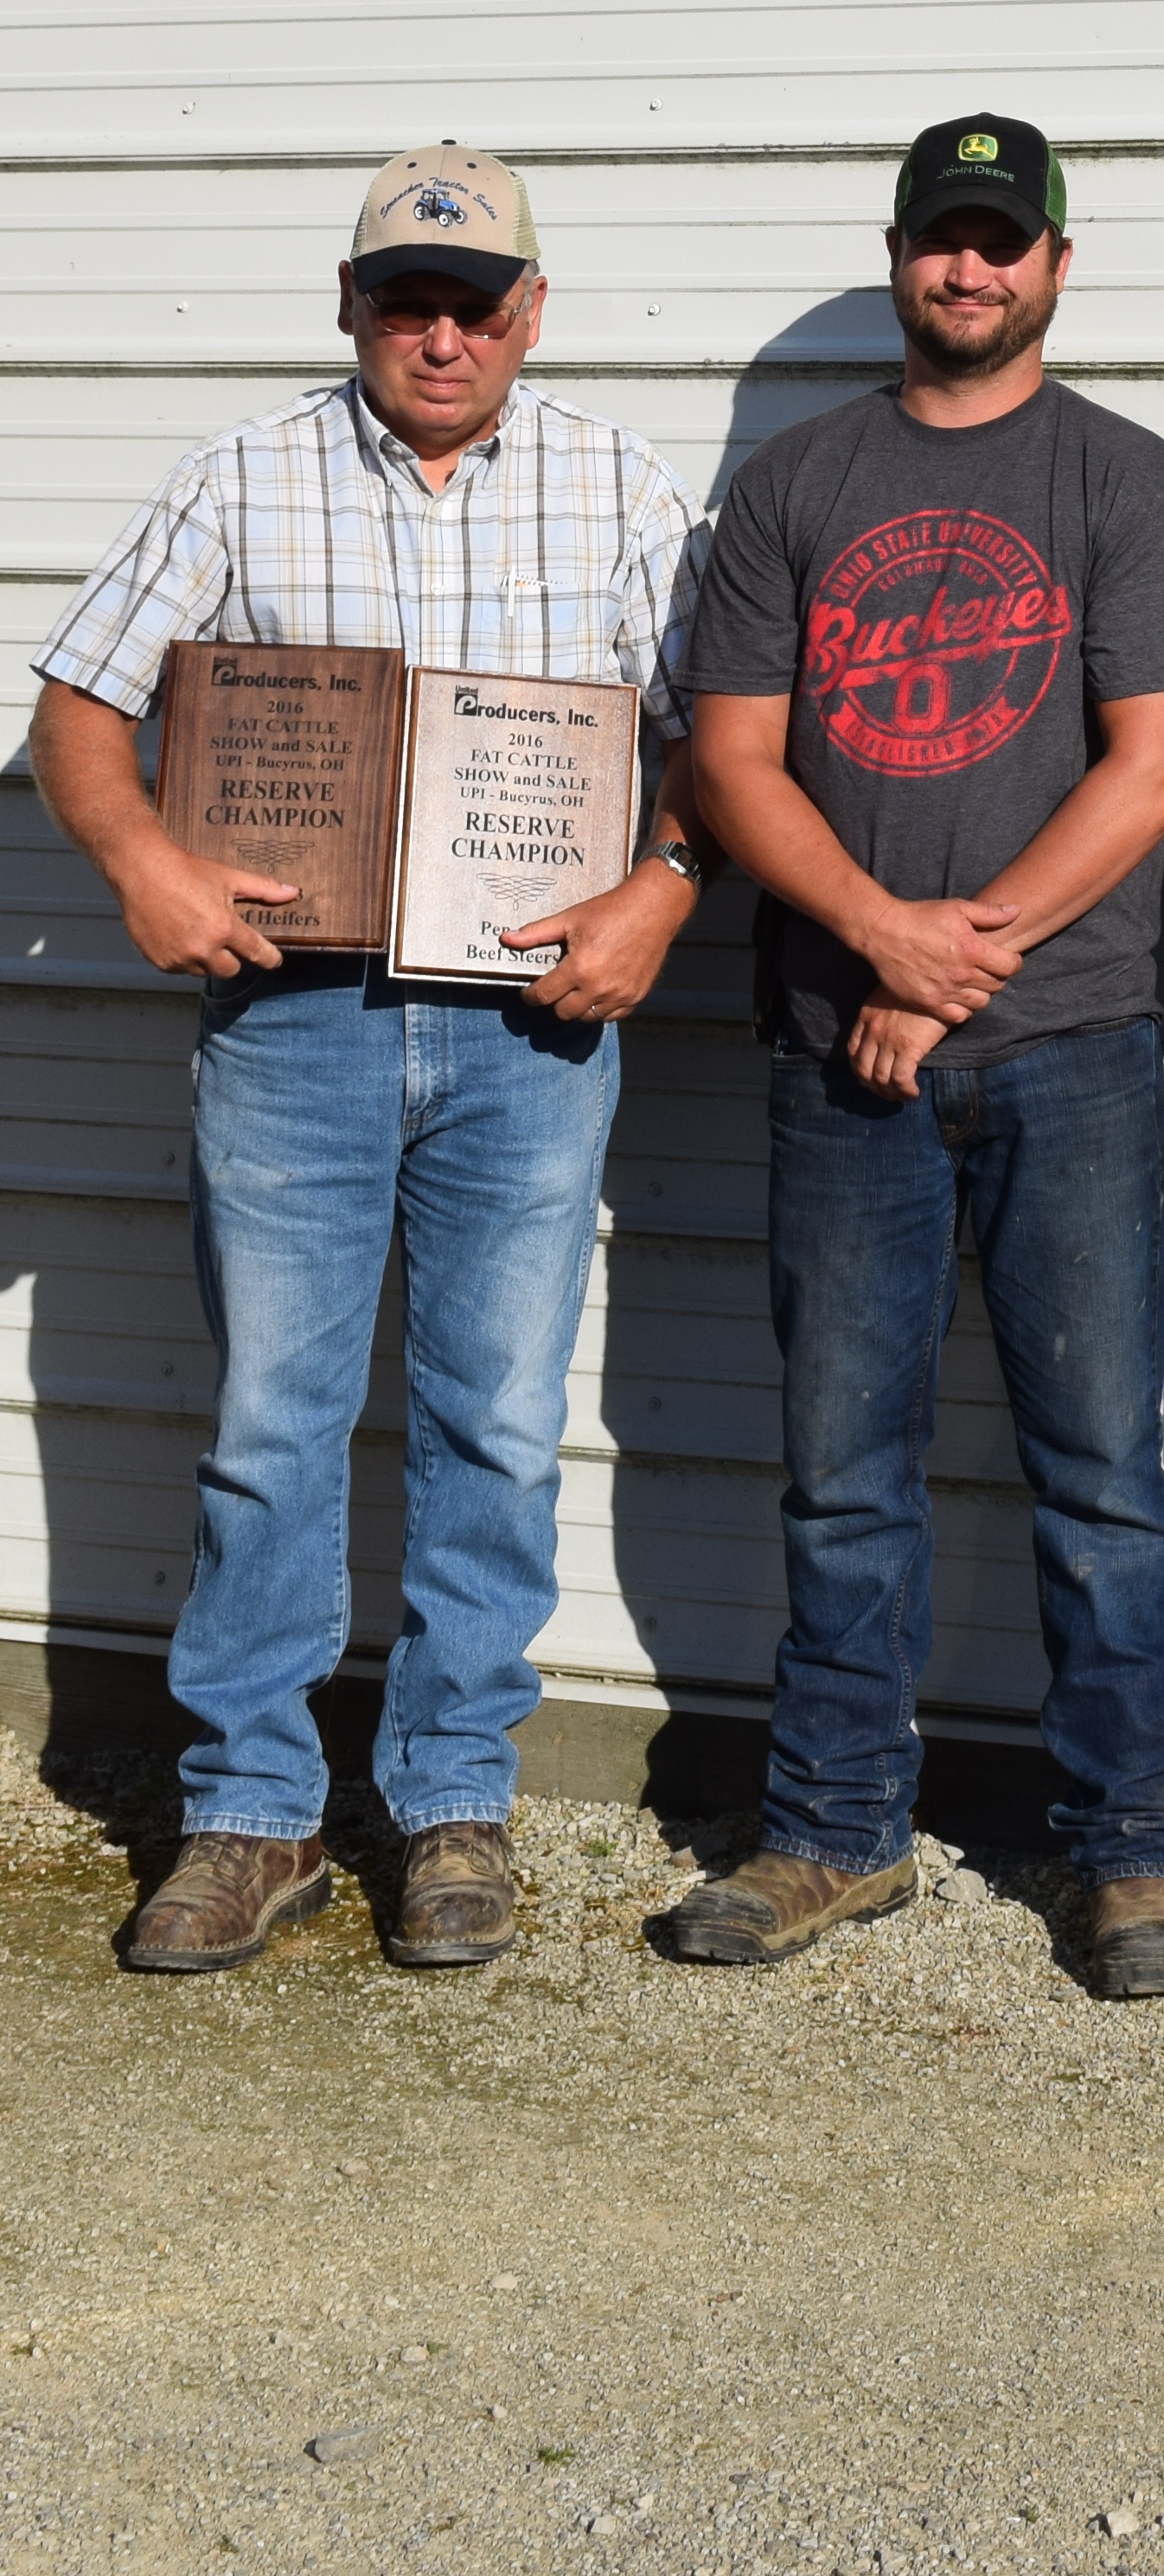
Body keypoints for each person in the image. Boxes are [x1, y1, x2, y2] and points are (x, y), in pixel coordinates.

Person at [29, 146, 705, 1978]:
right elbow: (81, 704)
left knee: (494, 1421)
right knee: (270, 1426)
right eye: (404, 296)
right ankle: (250, 1811)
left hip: (527, 1030)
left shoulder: (616, 484)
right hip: (293, 1018)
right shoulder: (242, 475)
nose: (438, 331)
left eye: (473, 302)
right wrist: (146, 863)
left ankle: (451, 1797)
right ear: (349, 302)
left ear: (528, 316)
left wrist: (661, 887)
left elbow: (725, 725)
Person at [658, 117, 1164, 1997]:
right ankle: (830, 1830)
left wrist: (953, 957)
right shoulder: (795, 485)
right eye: (939, 242)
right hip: (837, 1052)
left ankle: (1136, 1850)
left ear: (1053, 267)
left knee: (1096, 1471)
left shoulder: (1119, 485)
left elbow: (1158, 767)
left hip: (1063, 1049)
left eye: (1000, 244)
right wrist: (879, 939)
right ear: (896, 255)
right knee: (839, 1469)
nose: (966, 273)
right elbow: (733, 761)